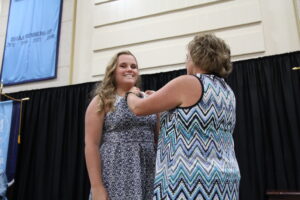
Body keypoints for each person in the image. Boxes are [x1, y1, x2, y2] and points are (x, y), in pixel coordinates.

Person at [127, 33, 241, 200]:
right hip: (225, 180)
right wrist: (161, 100)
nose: (186, 61)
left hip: (188, 181)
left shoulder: (189, 82)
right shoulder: (226, 91)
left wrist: (132, 93)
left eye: (187, 56)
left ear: (196, 57)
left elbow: (138, 108)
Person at [85, 50, 159, 200]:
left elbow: (159, 137)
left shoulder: (147, 99)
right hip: (116, 172)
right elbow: (91, 145)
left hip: (148, 170)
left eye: (133, 66)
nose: (129, 69)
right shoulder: (103, 100)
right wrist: (97, 186)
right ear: (113, 71)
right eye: (123, 66)